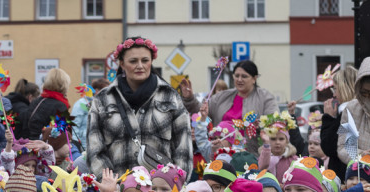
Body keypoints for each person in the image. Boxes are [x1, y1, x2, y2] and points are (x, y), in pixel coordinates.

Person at [87, 37, 193, 177]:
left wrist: (173, 184)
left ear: (151, 61)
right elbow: (95, 152)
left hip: (161, 188)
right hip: (117, 188)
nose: (140, 66)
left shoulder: (170, 97)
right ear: (122, 64)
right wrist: (112, 185)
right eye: (133, 61)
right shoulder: (102, 100)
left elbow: (183, 151)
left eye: (145, 60)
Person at [207, 60, 279, 156]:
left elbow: (275, 123)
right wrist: (190, 99)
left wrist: (259, 127)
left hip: (252, 156)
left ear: (254, 79)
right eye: (237, 76)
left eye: (244, 76)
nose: (239, 79)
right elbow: (201, 113)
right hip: (221, 155)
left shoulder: (265, 97)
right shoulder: (222, 96)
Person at [26, 68, 71, 144]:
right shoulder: (60, 106)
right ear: (64, 85)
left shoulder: (36, 102)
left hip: (30, 144)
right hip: (47, 147)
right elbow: (62, 134)